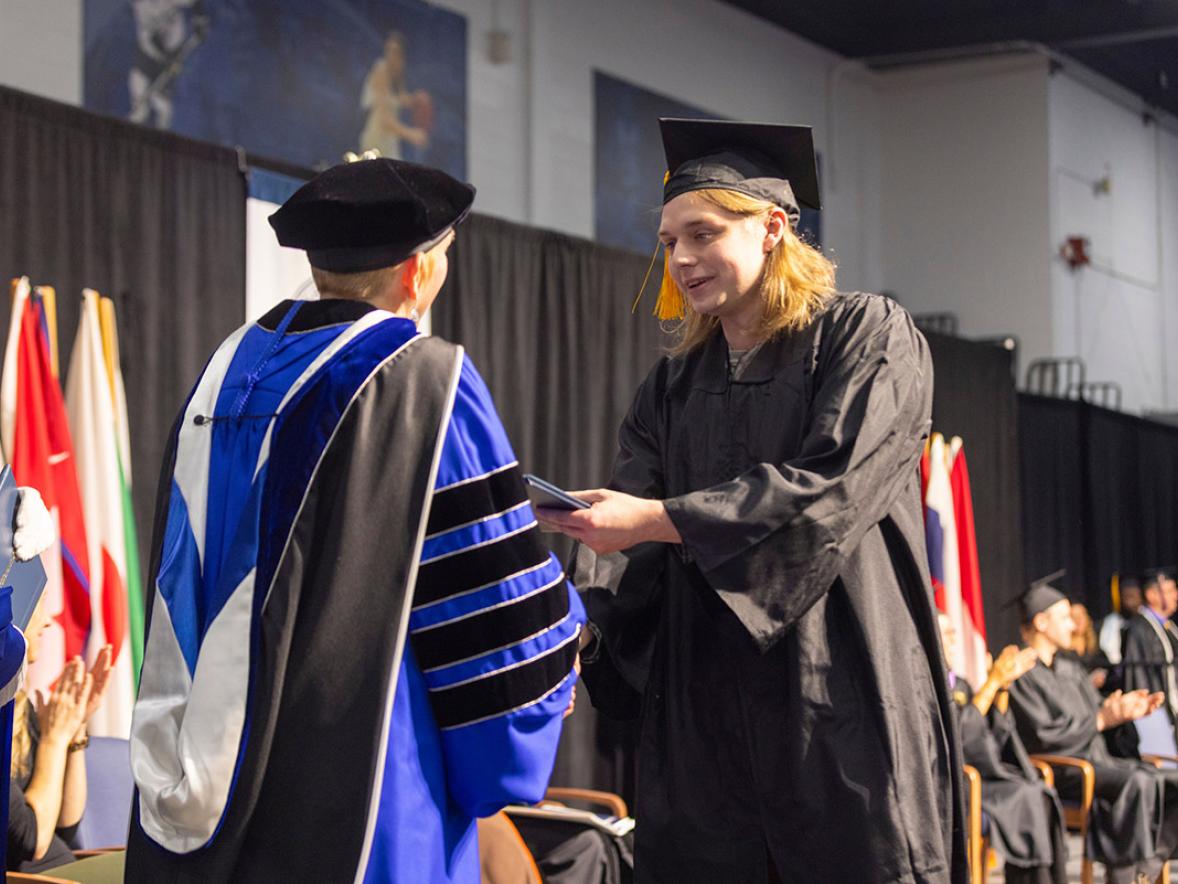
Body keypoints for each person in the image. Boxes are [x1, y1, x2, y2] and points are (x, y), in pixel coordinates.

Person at [125, 156, 584, 883]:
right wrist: (562, 642)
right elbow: (493, 618)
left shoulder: (223, 374)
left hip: (207, 783)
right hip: (371, 791)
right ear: (416, 274)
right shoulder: (426, 383)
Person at [540, 118, 966, 882]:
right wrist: (581, 633)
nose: (681, 259)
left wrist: (662, 520)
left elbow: (832, 486)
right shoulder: (670, 387)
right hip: (703, 721)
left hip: (837, 699)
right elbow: (626, 534)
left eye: (701, 234)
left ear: (773, 227)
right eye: (669, 242)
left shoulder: (866, 336)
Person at [1008, 577, 1178, 884]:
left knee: (1171, 780)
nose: (1073, 626)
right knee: (1137, 780)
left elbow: (1099, 710)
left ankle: (1151, 859)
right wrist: (1101, 719)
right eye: (1064, 618)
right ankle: (1124, 874)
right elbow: (1042, 737)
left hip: (1099, 761)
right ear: (1041, 622)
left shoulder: (1071, 669)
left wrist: (1125, 709)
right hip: (1064, 769)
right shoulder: (1021, 673)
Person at [938, 614, 1067, 884]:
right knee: (1027, 795)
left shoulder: (959, 684)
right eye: (945, 633)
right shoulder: (928, 687)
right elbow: (958, 739)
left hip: (979, 777)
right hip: (951, 783)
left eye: (953, 633)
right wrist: (992, 682)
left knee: (1039, 792)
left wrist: (1003, 688)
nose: (952, 640)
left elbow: (988, 740)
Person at [7, 597, 113, 874]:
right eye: (39, 605)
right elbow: (34, 840)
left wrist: (75, 732)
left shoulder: (19, 705)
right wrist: (53, 740)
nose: (48, 620)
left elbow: (65, 827)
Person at [359, 31, 432, 160]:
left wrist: (416, 98)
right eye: (389, 51)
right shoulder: (380, 71)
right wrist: (412, 134)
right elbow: (384, 120)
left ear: (402, 57)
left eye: (395, 52)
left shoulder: (397, 75)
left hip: (390, 139)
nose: (391, 56)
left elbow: (400, 99)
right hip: (376, 139)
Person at [1121, 569, 1178, 723]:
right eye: (1170, 590)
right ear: (1151, 595)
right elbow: (1139, 679)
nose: (1176, 595)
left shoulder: (1170, 627)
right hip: (1158, 716)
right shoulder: (1139, 629)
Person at [1100, 578, 1143, 665]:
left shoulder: (1148, 620)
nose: (1130, 602)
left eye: (1133, 596)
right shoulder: (1112, 621)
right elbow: (1110, 650)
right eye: (1126, 596)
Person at [1070, 602, 1111, 690]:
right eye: (1074, 616)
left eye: (1082, 615)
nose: (1079, 620)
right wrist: (1088, 682)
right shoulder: (1062, 654)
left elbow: (1112, 675)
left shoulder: (1096, 650)